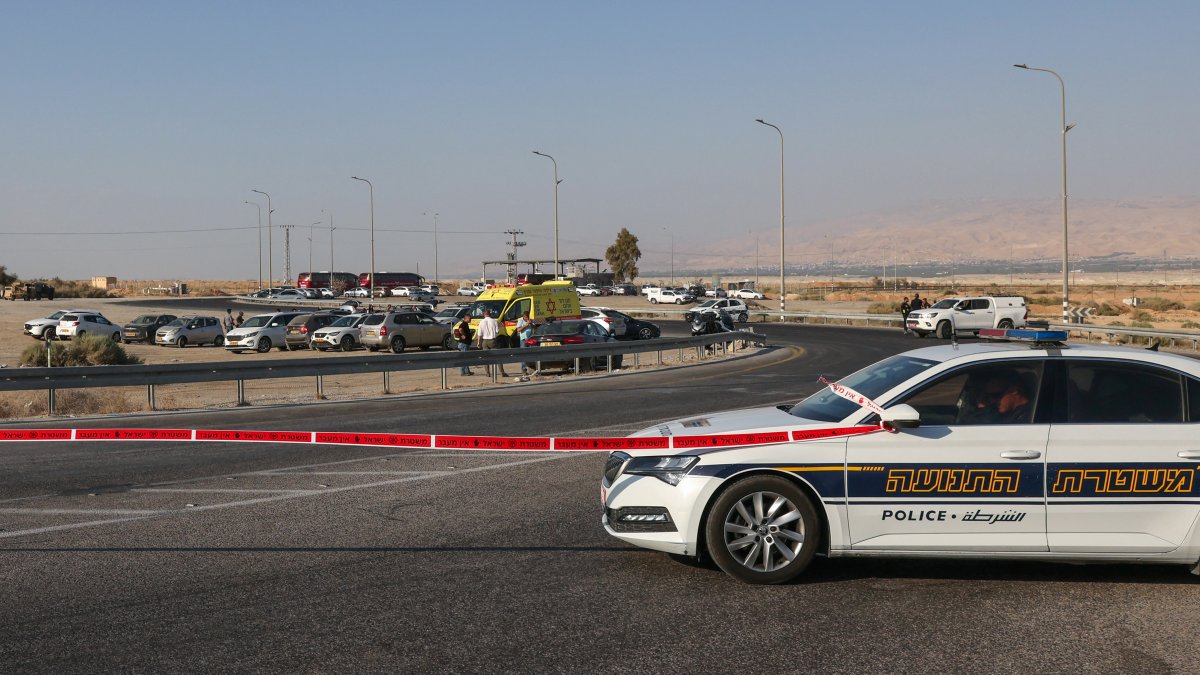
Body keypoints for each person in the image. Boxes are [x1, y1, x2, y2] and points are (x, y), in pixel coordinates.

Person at [960, 374, 1032, 425]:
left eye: (995, 395)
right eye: (988, 397)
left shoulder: (1028, 417)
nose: (991, 401)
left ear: (1013, 390)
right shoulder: (1010, 413)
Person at [475, 309, 508, 377]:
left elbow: (479, 334)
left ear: (484, 315)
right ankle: (502, 372)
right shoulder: (494, 321)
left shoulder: (481, 322)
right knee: (497, 356)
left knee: (485, 357)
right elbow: (497, 331)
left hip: (484, 341)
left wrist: (478, 342)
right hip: (492, 340)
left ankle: (487, 372)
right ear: (490, 314)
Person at [515, 311, 536, 376]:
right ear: (523, 316)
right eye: (526, 317)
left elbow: (535, 328)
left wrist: (531, 323)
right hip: (523, 339)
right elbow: (518, 330)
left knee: (531, 354)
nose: (527, 318)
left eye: (528, 317)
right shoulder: (520, 321)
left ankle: (532, 369)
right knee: (523, 354)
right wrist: (525, 325)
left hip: (530, 340)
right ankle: (524, 369)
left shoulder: (530, 320)